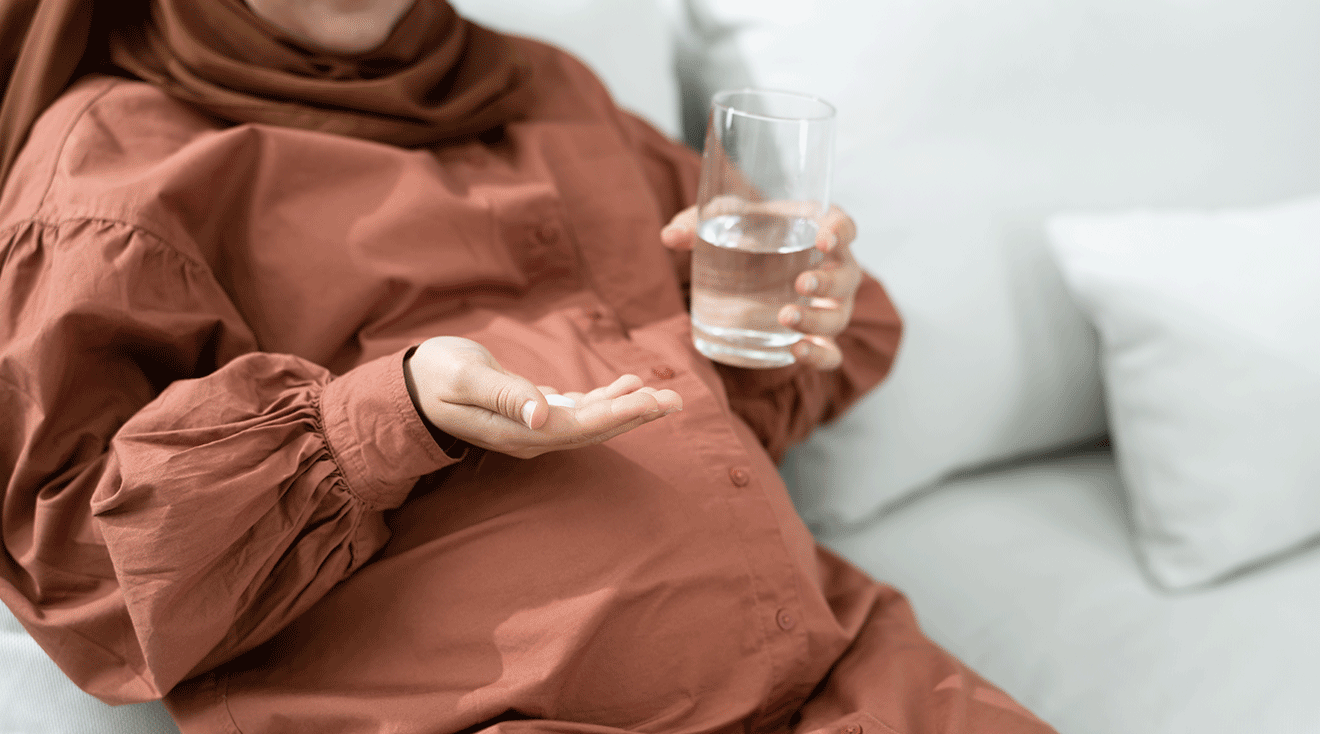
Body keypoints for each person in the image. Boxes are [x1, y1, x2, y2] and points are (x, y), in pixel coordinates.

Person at [0, 1, 1058, 732]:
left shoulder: (548, 85)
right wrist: (390, 414)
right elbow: (80, 570)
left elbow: (750, 375)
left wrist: (798, 308)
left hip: (836, 668)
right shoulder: (111, 169)